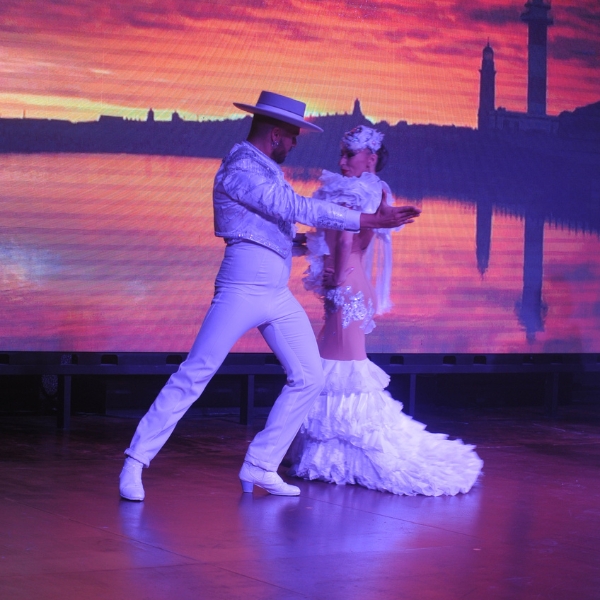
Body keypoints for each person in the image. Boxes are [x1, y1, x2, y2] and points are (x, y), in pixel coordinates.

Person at [119, 92, 421, 501]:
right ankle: (136, 461)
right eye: (292, 136)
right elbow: (294, 206)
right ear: (276, 134)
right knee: (196, 372)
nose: (295, 143)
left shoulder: (265, 169)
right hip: (241, 288)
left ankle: (261, 463)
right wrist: (367, 218)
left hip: (275, 292)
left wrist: (306, 243)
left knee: (309, 377)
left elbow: (274, 225)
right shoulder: (241, 168)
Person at [288, 125, 483, 496]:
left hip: (347, 284)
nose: (343, 161)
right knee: (329, 368)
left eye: (351, 154)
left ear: (371, 158)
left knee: (343, 371)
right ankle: (330, 454)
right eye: (342, 153)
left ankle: (355, 455)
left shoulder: (362, 189)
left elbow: (347, 238)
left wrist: (334, 271)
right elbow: (327, 235)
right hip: (347, 283)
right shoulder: (366, 189)